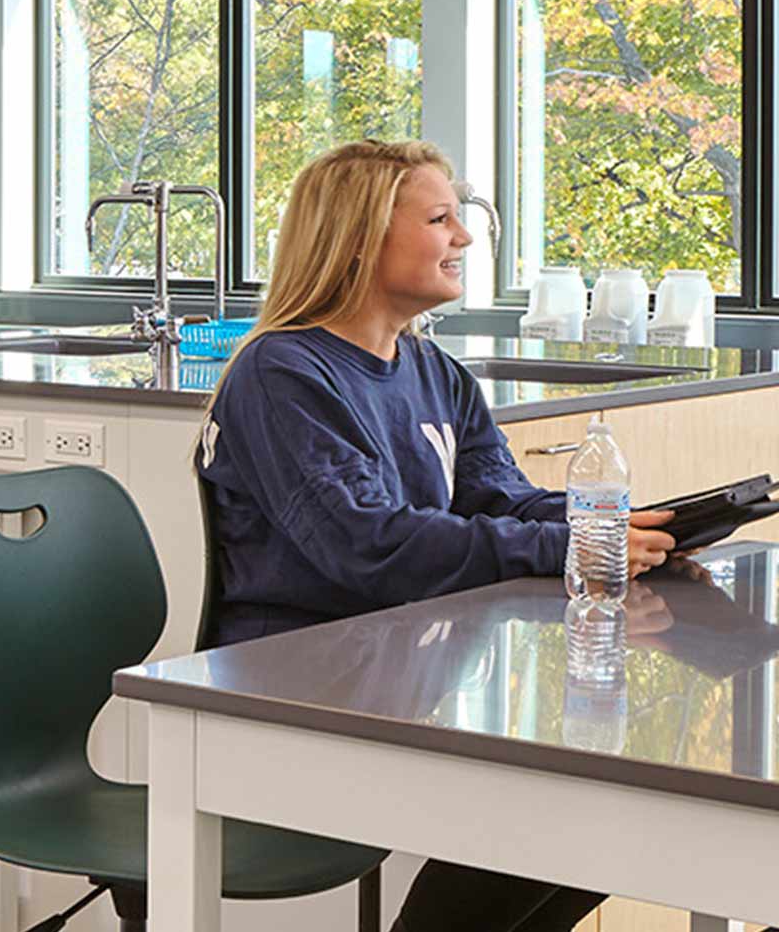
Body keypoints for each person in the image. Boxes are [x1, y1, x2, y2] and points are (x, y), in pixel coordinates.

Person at [199, 139, 677, 932]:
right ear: (358, 239)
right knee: (570, 803)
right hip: (305, 681)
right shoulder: (283, 374)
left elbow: (505, 499)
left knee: (618, 805)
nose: (463, 237)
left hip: (407, 664)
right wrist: (572, 549)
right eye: (440, 217)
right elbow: (368, 546)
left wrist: (614, 527)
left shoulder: (433, 369)